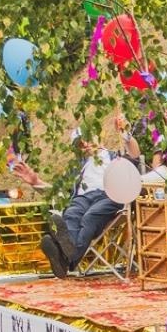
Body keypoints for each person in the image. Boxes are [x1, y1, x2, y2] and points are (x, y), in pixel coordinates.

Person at [39, 116, 140, 278]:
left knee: (89, 217)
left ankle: (67, 259)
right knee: (71, 213)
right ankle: (66, 259)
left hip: (109, 196)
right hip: (82, 197)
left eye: (86, 140)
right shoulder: (78, 167)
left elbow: (135, 155)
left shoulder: (114, 156)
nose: (85, 145)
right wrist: (34, 180)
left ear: (96, 137)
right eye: (80, 144)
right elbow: (58, 190)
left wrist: (125, 133)